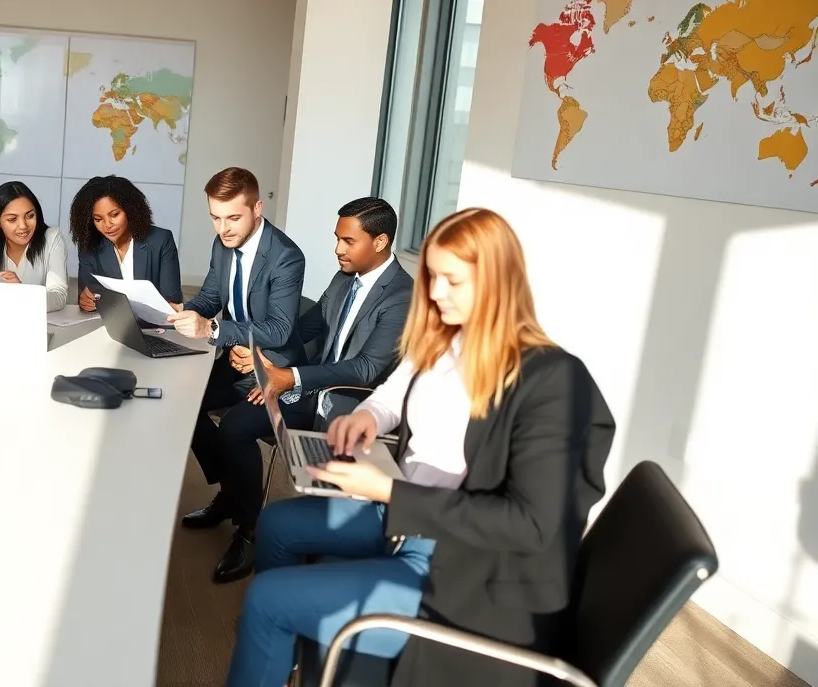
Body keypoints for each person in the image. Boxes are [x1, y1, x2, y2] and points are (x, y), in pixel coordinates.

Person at [225, 207, 616, 687]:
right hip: (409, 520)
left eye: (451, 281)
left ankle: (277, 630)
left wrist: (389, 491)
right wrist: (366, 416)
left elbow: (532, 526)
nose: (433, 293)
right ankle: (280, 649)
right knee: (279, 523)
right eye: (432, 277)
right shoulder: (445, 337)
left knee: (268, 599)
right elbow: (394, 391)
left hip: (463, 570)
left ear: (498, 282)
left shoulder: (554, 381)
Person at [188, 196, 413, 584]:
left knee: (234, 426)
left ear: (380, 242)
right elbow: (311, 326)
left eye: (348, 241)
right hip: (309, 387)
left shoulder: (402, 295)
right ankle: (240, 509)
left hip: (347, 404)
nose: (337, 249)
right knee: (233, 424)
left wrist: (287, 377)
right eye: (337, 239)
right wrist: (263, 356)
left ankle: (249, 530)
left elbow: (366, 368)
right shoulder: (346, 276)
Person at [166, 167, 306, 531]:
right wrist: (185, 311)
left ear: (257, 208)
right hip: (237, 358)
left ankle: (247, 528)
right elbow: (213, 296)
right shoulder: (223, 244)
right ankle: (230, 494)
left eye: (232, 217)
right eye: (215, 217)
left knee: (233, 429)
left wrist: (213, 329)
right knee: (183, 403)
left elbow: (279, 328)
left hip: (275, 367)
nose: (222, 228)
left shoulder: (286, 257)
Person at [67, 175, 182, 311]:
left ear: (130, 210)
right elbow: (87, 298)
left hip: (155, 328)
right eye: (98, 219)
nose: (107, 225)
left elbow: (172, 301)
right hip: (109, 327)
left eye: (114, 215)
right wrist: (86, 301)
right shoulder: (89, 246)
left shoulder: (161, 240)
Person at [0, 181, 69, 312]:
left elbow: (58, 296)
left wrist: (22, 293)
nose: (23, 226)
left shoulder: (52, 238)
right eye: (12, 219)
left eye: (30, 216)